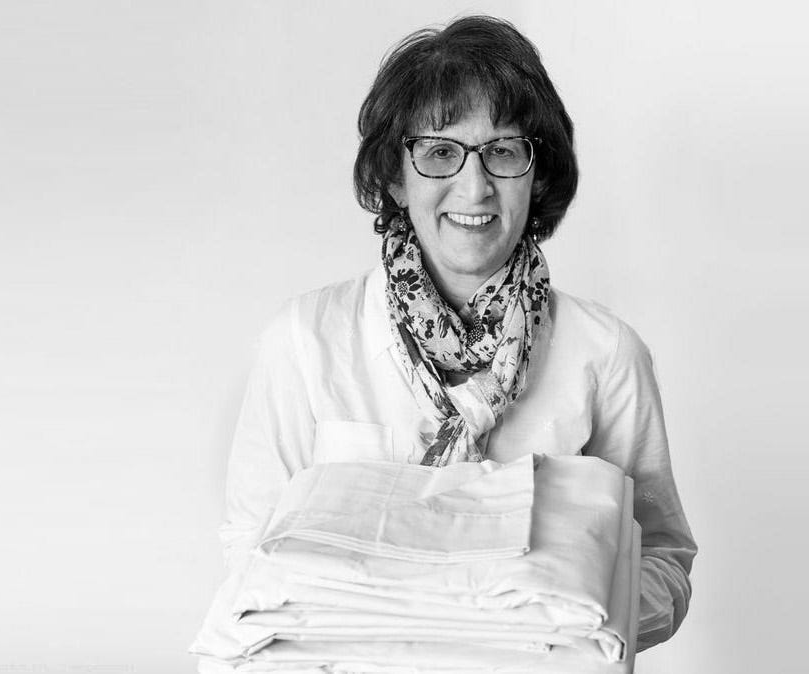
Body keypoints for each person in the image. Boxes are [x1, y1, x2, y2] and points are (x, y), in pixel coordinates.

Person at [215, 15, 697, 651]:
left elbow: (661, 557)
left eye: (503, 151)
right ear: (395, 174)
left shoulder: (606, 354)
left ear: (538, 173)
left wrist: (573, 613)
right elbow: (252, 554)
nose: (474, 187)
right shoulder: (305, 341)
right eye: (440, 152)